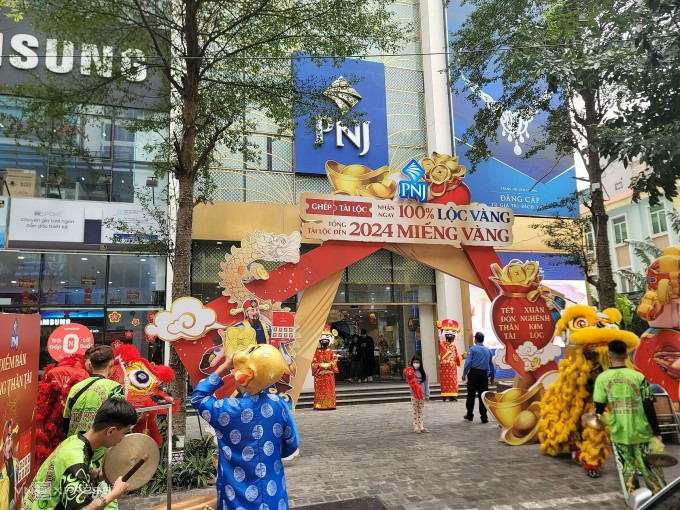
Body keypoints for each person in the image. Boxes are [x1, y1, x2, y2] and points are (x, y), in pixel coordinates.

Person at [191, 344, 300, 510]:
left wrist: (223, 367)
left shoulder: (226, 409)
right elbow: (291, 445)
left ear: (243, 377)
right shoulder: (280, 405)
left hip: (236, 497)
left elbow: (198, 398)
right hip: (274, 497)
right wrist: (269, 456)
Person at [22, 398, 137, 510]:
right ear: (110, 431)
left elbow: (78, 474)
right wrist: (114, 494)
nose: (123, 438)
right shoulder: (76, 458)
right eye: (124, 433)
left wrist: (105, 474)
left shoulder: (75, 441)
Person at [593, 339, 666, 499]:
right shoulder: (639, 377)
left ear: (609, 354)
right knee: (652, 471)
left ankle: (636, 503)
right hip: (642, 432)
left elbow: (598, 408)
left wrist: (598, 416)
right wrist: (657, 431)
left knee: (628, 474)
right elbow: (648, 406)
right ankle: (662, 503)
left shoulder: (602, 379)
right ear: (626, 355)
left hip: (619, 434)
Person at [64, 345, 124, 437]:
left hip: (75, 445)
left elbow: (66, 421)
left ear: (90, 365)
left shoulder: (75, 388)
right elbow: (119, 422)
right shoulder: (114, 388)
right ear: (111, 364)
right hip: (101, 449)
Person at [462, 331, 495, 423]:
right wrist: (492, 377)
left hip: (473, 374)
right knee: (483, 396)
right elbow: (491, 365)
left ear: (475, 339)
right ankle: (484, 417)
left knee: (471, 395)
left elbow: (468, 362)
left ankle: (469, 415)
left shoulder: (472, 349)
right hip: (484, 375)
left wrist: (464, 373)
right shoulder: (488, 350)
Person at [311, 324, 339, 410]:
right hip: (320, 374)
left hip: (329, 374)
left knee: (329, 390)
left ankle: (331, 404)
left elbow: (334, 359)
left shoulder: (330, 352)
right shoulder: (316, 352)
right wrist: (319, 365)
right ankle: (319, 404)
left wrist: (330, 364)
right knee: (320, 391)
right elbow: (313, 362)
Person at [437, 319, 462, 402]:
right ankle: (445, 395)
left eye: (453, 332)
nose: (450, 334)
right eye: (447, 331)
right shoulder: (442, 344)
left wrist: (461, 357)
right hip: (445, 367)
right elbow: (445, 353)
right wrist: (450, 353)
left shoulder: (454, 346)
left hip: (452, 367)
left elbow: (457, 356)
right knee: (445, 382)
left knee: (453, 381)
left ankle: (453, 396)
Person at [406, 355, 430, 433]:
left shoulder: (424, 373)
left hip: (422, 395)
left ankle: (421, 426)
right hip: (414, 394)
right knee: (414, 411)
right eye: (414, 362)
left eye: (417, 362)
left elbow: (426, 385)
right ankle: (416, 427)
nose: (416, 364)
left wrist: (427, 395)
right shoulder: (410, 372)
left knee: (420, 411)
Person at [0, 421, 18, 510]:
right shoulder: (1, 472)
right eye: (8, 443)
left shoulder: (16, 463)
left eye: (11, 441)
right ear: (3, 448)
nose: (10, 445)